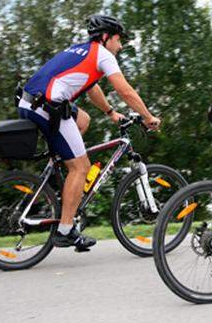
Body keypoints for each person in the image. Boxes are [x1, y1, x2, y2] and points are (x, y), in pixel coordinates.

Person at [18, 15, 160, 251]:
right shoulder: (103, 54)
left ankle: (61, 178)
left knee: (83, 120)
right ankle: (65, 230)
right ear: (106, 38)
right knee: (81, 167)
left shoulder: (81, 50)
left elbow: (91, 86)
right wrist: (147, 116)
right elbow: (125, 90)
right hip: (46, 109)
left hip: (31, 103)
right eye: (118, 39)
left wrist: (111, 113)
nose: (121, 46)